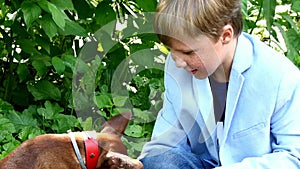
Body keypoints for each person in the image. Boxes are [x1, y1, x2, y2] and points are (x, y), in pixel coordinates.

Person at [138, 0, 300, 168]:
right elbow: (166, 142)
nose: (178, 62)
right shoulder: (179, 68)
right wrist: (141, 164)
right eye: (172, 50)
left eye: (188, 52)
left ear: (226, 35)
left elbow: (294, 156)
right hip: (199, 164)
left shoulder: (281, 77)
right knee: (159, 161)